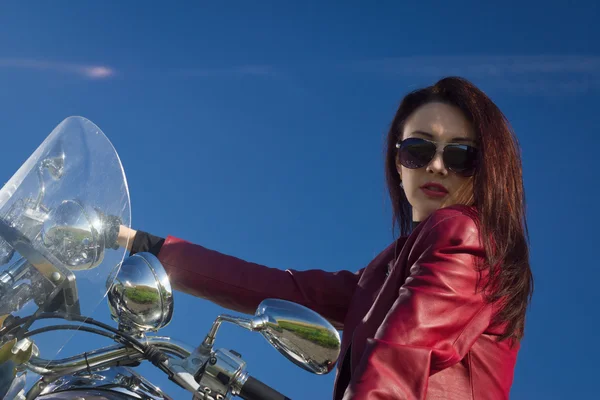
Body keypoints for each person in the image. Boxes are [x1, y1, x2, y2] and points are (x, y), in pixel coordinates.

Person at [117, 76, 533, 399]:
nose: (437, 166)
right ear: (398, 161)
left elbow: (404, 349)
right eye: (419, 150)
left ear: (486, 169)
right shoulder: (385, 271)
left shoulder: (462, 232)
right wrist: (139, 243)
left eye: (461, 155)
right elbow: (277, 288)